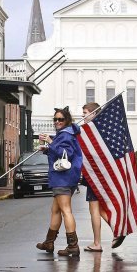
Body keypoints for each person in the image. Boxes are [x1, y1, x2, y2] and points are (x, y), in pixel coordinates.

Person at [35, 106, 83, 257]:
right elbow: (61, 153)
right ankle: (49, 242)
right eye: (55, 119)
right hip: (64, 177)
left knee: (65, 210)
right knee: (55, 210)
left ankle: (73, 246)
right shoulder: (66, 134)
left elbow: (65, 153)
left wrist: (50, 141)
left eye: (60, 119)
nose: (57, 121)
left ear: (67, 120)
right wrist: (48, 150)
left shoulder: (65, 134)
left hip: (63, 177)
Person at [79, 102, 125, 251]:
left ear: (93, 113)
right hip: (100, 176)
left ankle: (98, 242)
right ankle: (117, 230)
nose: (82, 115)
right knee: (99, 209)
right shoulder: (102, 129)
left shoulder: (91, 131)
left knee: (94, 210)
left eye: (85, 112)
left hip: (95, 176)